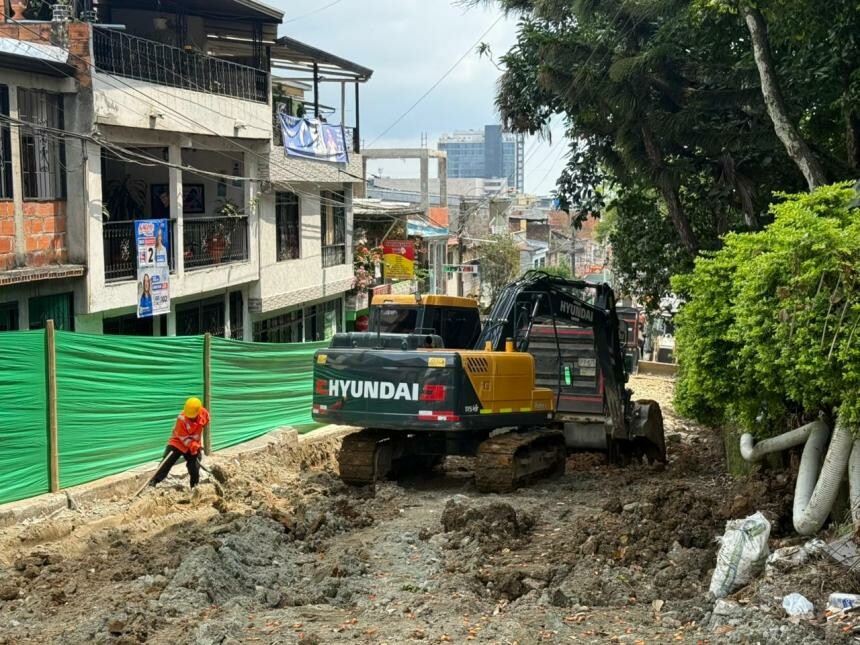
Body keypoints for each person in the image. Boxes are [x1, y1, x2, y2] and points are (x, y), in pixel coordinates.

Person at [150, 397, 210, 489]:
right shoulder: (181, 418)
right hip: (178, 443)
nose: (189, 416)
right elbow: (184, 438)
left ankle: (194, 487)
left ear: (198, 411)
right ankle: (153, 482)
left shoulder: (204, 413)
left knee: (194, 467)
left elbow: (206, 425)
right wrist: (193, 445)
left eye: (192, 415)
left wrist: (199, 445)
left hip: (194, 445)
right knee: (166, 462)